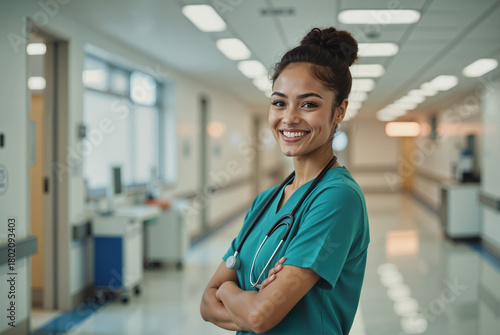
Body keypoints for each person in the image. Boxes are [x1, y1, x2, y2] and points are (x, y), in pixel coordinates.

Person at [200, 27, 370, 334]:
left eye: (309, 104)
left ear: (339, 111)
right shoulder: (265, 201)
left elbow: (258, 317)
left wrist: (227, 291)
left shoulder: (338, 198)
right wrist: (248, 300)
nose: (289, 118)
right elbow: (205, 304)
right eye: (279, 102)